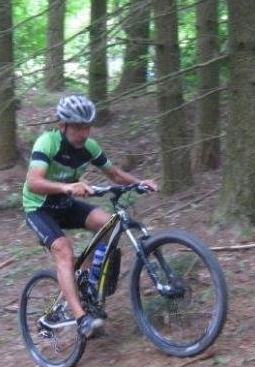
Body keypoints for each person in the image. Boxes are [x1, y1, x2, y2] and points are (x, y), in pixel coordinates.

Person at [22, 95, 158, 337]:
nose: (84, 133)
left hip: (65, 204)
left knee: (107, 224)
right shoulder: (48, 143)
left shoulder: (89, 147)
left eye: (87, 127)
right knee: (64, 250)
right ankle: (81, 318)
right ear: (63, 125)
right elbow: (33, 182)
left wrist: (140, 183)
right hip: (39, 207)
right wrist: (66, 187)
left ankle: (87, 284)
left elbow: (114, 174)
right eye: (78, 128)